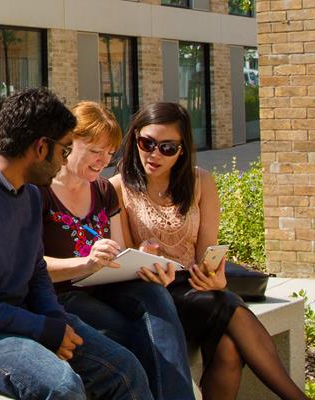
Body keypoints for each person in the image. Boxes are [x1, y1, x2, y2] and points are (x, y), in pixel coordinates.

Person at [0, 88, 152, 400]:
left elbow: (36, 269)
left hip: (16, 317)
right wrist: (40, 329)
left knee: (124, 368)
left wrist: (54, 320)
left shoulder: (30, 194)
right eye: (64, 150)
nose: (64, 161)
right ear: (40, 148)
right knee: (61, 387)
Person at [112, 102, 307, 400]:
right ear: (135, 138)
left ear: (182, 149)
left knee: (229, 346)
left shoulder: (201, 181)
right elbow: (125, 260)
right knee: (227, 305)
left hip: (197, 287)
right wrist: (142, 253)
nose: (154, 154)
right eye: (147, 143)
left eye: (167, 147)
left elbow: (207, 254)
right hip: (153, 293)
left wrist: (216, 279)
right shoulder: (118, 187)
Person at [38, 102, 195, 399]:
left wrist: (143, 258)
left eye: (109, 153)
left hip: (104, 286)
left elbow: (120, 252)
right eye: (95, 151)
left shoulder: (103, 189)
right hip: (63, 294)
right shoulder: (39, 191)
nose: (103, 161)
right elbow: (31, 265)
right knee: (134, 335)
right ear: (69, 142)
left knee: (156, 294)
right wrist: (85, 263)